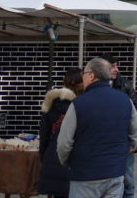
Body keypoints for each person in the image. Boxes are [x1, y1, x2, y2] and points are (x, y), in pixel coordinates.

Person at [57, 58, 137, 198]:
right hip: (115, 173)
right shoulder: (125, 100)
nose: (82, 76)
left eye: (84, 73)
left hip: (84, 174)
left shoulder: (78, 104)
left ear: (91, 76)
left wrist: (67, 161)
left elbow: (64, 143)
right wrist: (121, 154)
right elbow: (136, 134)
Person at [98, 54, 137, 198]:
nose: (117, 69)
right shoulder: (92, 86)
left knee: (128, 182)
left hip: (124, 142)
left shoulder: (124, 85)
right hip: (101, 143)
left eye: (117, 65)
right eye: (113, 66)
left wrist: (136, 140)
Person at [38, 67, 84, 198]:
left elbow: (44, 135)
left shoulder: (51, 103)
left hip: (53, 159)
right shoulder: (84, 104)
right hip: (78, 163)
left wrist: (44, 157)